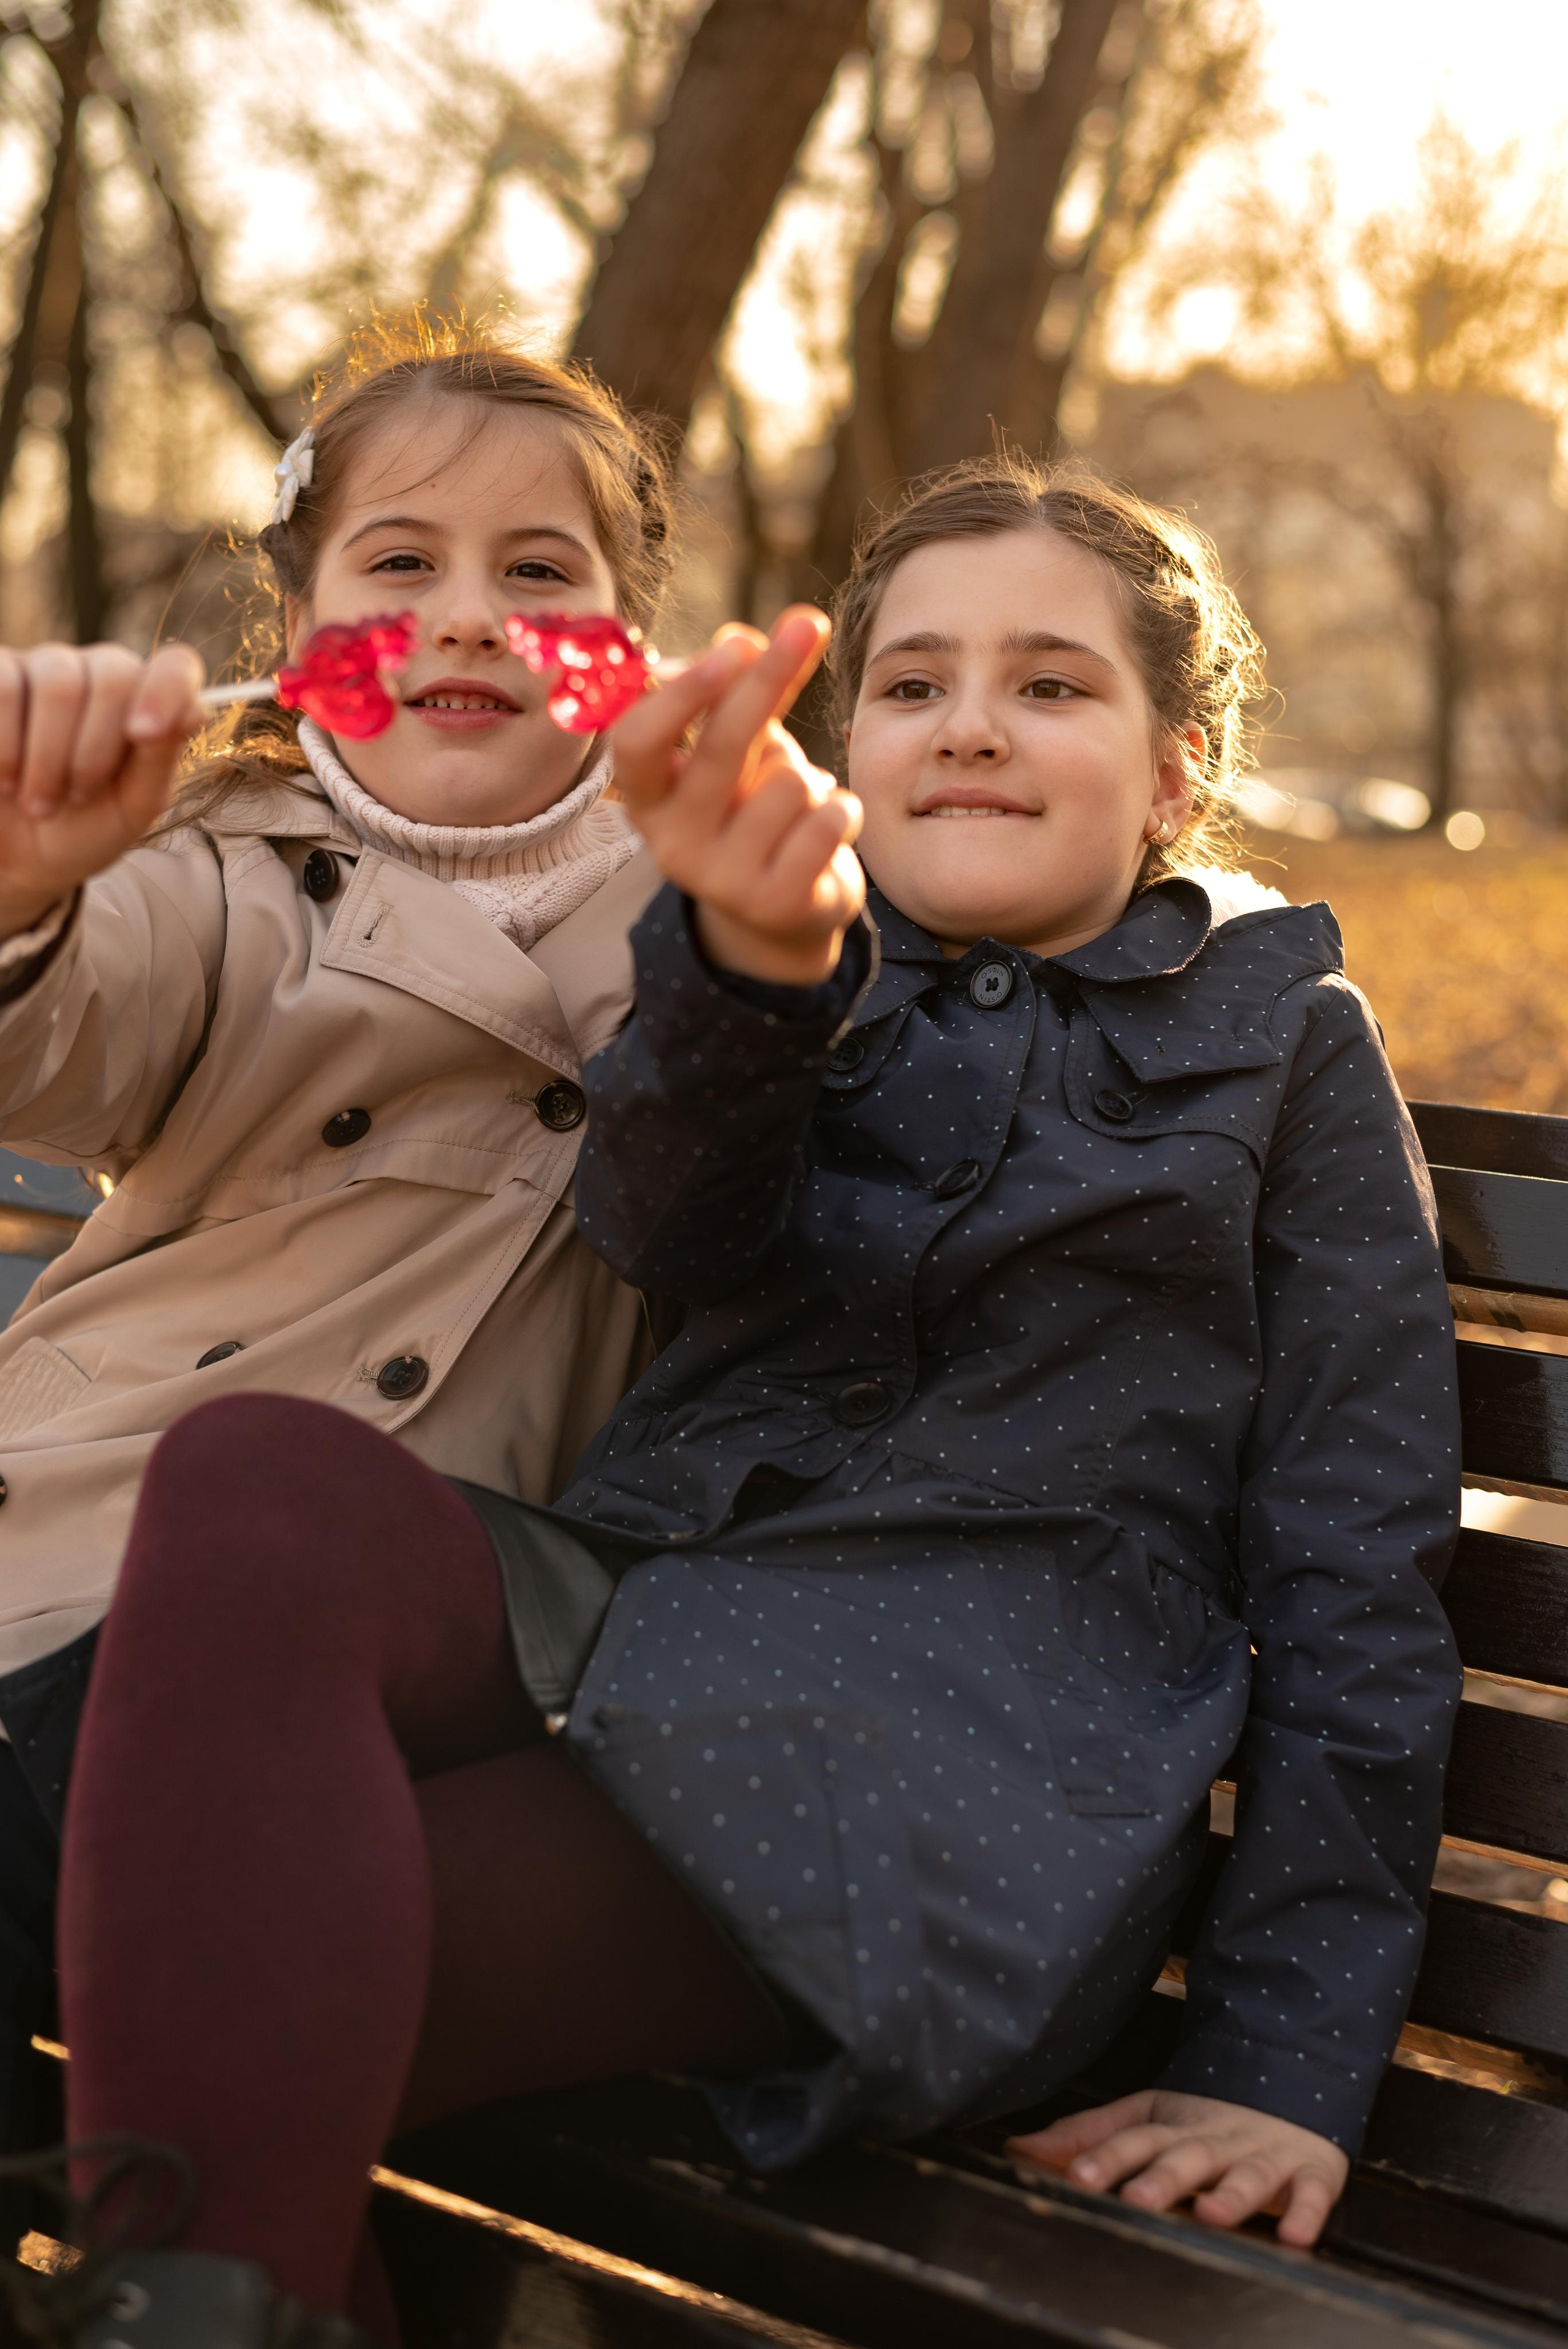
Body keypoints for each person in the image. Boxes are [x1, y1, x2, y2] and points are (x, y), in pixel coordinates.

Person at [11, 461, 1461, 2348]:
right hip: (626, 1637)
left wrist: (1283, 2059)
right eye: (915, 683)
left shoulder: (1283, 1043)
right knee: (261, 1482)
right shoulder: (783, 965)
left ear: (1177, 772)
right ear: (852, 750)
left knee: (219, 1952)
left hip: (943, 1789)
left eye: (1050, 683)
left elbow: (1363, 1577)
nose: (971, 725)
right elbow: (661, 1220)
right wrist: (755, 970)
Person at [0, 320, 705, 2244]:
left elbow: (740, 1135)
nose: (467, 614)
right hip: (65, 1547)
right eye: (400, 563)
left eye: (538, 570)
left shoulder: (706, 904)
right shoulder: (218, 873)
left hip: (383, 1635)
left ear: (626, 636)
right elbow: (65, 1027)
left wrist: (714, 911)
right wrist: (27, 890)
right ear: (302, 621)